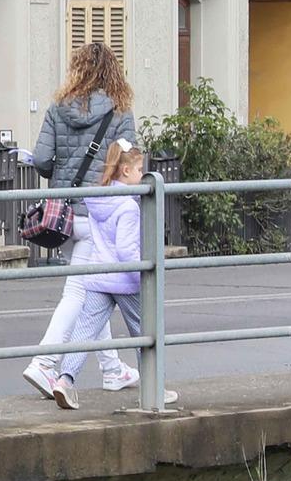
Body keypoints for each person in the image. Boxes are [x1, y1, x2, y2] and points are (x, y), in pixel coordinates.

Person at [21, 42, 139, 399]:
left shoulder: (59, 108)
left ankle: (112, 369)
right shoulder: (120, 111)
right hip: (101, 215)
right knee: (80, 293)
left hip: (66, 214)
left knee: (95, 291)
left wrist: (58, 167)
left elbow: (42, 159)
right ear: (112, 72)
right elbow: (128, 162)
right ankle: (44, 363)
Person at [49, 140, 177, 411]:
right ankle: (154, 388)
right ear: (126, 171)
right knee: (146, 332)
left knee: (84, 331)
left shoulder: (99, 198)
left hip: (99, 274)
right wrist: (145, 271)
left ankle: (65, 380)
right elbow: (126, 249)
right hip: (126, 280)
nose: (143, 174)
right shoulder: (128, 206)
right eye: (140, 168)